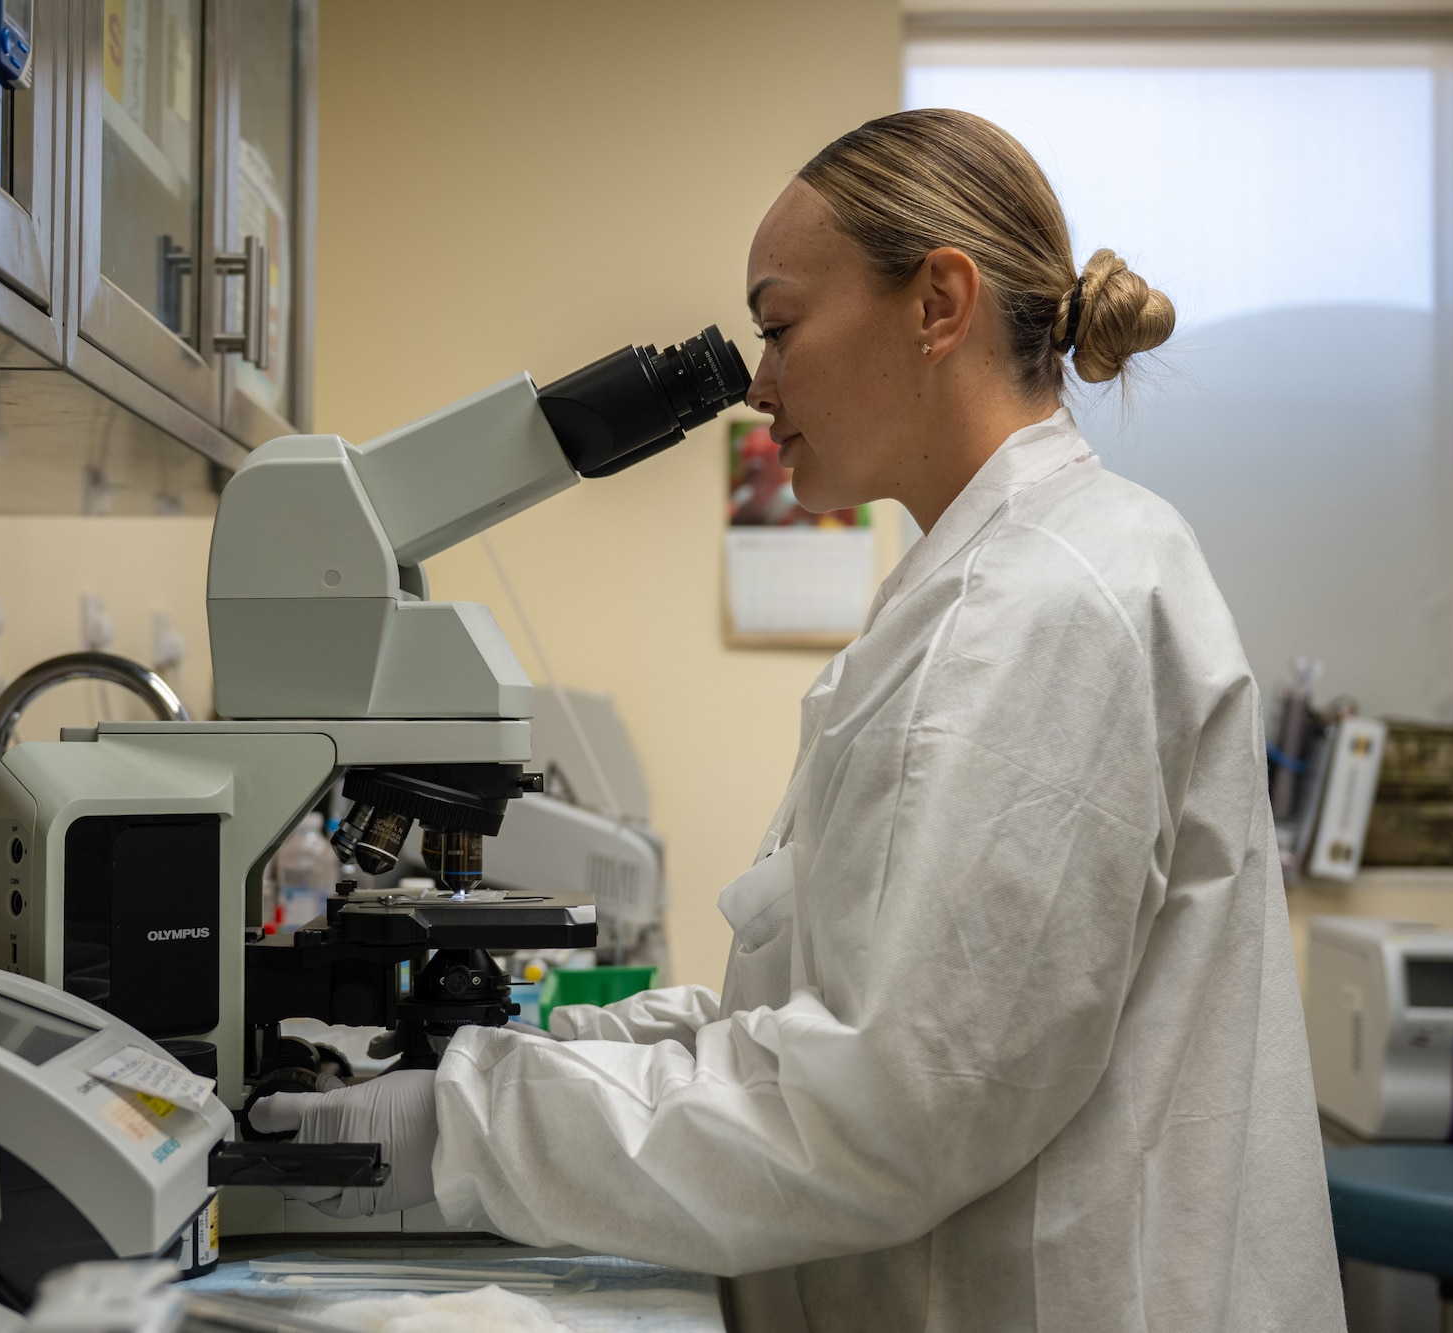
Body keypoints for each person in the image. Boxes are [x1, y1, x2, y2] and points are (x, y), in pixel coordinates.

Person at [248, 108, 1347, 1333]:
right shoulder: (984, 586)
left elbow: (878, 1108)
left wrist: (469, 1125)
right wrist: (541, 1052)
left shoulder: (1040, 610)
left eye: (777, 327)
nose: (755, 385)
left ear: (938, 303)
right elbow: (814, 1009)